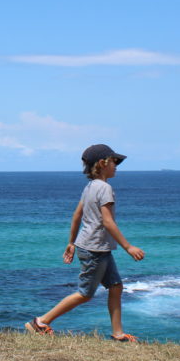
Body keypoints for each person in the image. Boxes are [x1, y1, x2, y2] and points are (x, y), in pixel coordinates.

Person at [25, 144, 145, 341]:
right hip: (95, 249)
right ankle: (40, 322)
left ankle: (118, 333)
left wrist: (71, 242)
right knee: (85, 294)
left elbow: (77, 215)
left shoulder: (90, 187)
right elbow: (107, 221)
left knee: (115, 286)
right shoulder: (105, 188)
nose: (116, 166)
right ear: (102, 163)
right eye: (114, 162)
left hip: (94, 247)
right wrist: (128, 247)